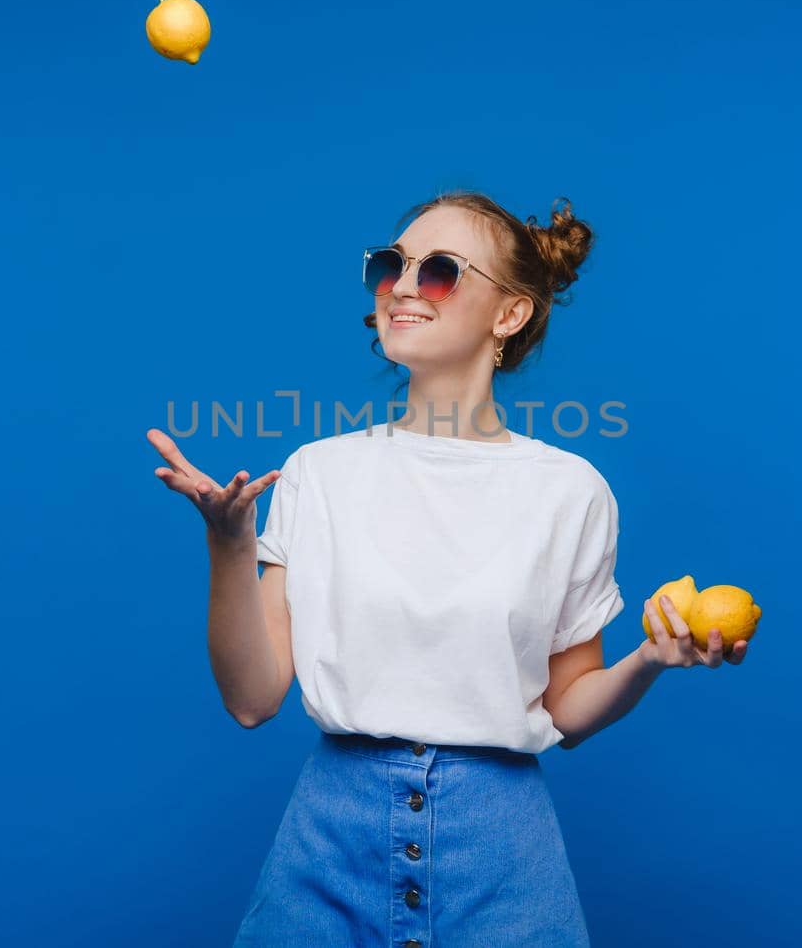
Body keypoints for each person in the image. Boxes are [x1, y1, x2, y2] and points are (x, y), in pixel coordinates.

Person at [147, 191, 749, 946]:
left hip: (503, 859)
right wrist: (230, 542)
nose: (401, 285)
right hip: (328, 847)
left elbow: (568, 708)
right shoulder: (318, 473)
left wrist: (650, 659)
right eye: (390, 265)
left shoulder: (571, 490)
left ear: (510, 315)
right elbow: (252, 698)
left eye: (437, 271)